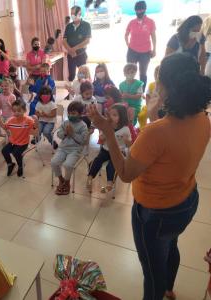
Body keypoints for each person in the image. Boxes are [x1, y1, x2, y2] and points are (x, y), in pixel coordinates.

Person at [87, 53, 211, 300]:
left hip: (156, 213)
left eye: (158, 80)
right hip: (186, 200)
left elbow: (124, 173)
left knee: (152, 274)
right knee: (171, 245)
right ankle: (169, 289)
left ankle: (158, 291)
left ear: (165, 89)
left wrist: (107, 129)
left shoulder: (156, 132)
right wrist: (155, 117)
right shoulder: (202, 119)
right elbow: (172, 150)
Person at [87, 105, 132, 194]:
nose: (111, 117)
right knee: (97, 160)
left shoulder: (125, 129)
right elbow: (101, 138)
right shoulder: (107, 125)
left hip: (118, 152)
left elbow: (129, 144)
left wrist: (127, 141)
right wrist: (104, 134)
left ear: (122, 117)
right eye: (110, 115)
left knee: (111, 165)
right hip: (105, 150)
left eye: (115, 115)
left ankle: (109, 184)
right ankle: (90, 177)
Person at [51, 101, 88, 195]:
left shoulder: (83, 126)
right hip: (63, 148)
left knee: (68, 165)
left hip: (75, 150)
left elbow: (83, 141)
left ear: (80, 114)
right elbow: (59, 134)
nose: (71, 115)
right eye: (70, 113)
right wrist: (65, 133)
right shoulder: (66, 122)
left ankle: (67, 183)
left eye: (74, 113)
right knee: (54, 162)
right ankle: (61, 180)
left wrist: (72, 134)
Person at [0, 100, 39, 177]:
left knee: (16, 153)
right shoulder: (11, 119)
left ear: (24, 110)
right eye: (14, 111)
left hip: (23, 143)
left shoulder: (28, 120)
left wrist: (36, 121)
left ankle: (20, 166)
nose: (16, 113)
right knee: (4, 151)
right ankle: (10, 164)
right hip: (13, 141)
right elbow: (4, 127)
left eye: (19, 111)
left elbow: (35, 130)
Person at [125, 1, 156, 89]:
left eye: (141, 10)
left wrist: (154, 49)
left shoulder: (150, 22)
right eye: (137, 10)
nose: (139, 12)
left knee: (143, 72)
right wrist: (128, 44)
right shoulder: (131, 22)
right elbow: (126, 34)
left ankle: (141, 91)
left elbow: (153, 36)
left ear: (145, 9)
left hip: (145, 52)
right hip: (132, 51)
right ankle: (129, 89)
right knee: (129, 71)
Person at [63, 5, 92, 82]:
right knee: (71, 76)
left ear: (80, 13)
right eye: (71, 14)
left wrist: (74, 49)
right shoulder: (68, 26)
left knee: (82, 76)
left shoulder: (86, 25)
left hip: (81, 55)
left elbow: (87, 41)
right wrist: (70, 50)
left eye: (75, 14)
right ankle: (71, 93)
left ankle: (82, 92)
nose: (73, 16)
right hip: (71, 56)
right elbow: (64, 41)